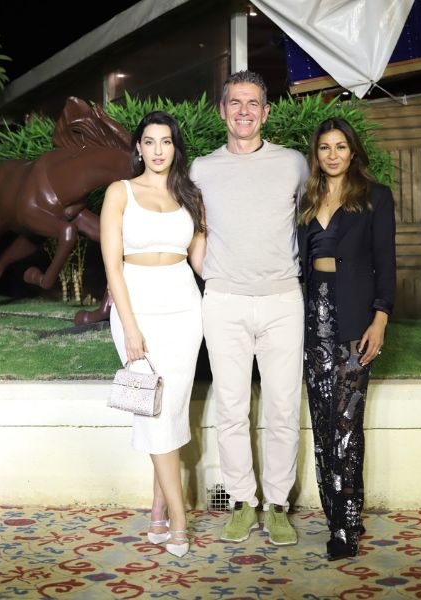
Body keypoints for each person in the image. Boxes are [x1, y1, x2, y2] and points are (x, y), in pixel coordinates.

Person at [189, 70, 308, 546]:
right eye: (235, 102)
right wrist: (209, 274)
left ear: (266, 111)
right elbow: (195, 227)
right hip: (224, 301)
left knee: (282, 406)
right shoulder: (201, 169)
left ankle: (277, 505)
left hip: (282, 299)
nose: (244, 111)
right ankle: (242, 501)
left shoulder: (293, 164)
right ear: (222, 110)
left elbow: (309, 220)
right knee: (232, 407)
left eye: (253, 103)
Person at [101, 111, 205, 558]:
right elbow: (112, 265)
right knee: (154, 410)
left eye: (166, 141)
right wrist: (130, 326)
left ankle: (159, 507)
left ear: (175, 148)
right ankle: (179, 518)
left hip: (185, 308)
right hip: (137, 307)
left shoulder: (191, 196)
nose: (158, 150)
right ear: (138, 148)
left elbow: (201, 262)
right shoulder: (120, 192)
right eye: (150, 141)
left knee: (170, 410)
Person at [297, 118, 397, 561]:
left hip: (356, 319)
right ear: (316, 155)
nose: (333, 155)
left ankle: (346, 525)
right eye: (325, 148)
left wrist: (380, 319)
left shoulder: (375, 197)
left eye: (340, 147)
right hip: (312, 318)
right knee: (323, 423)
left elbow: (386, 263)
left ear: (352, 152)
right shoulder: (307, 198)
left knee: (346, 423)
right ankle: (336, 514)